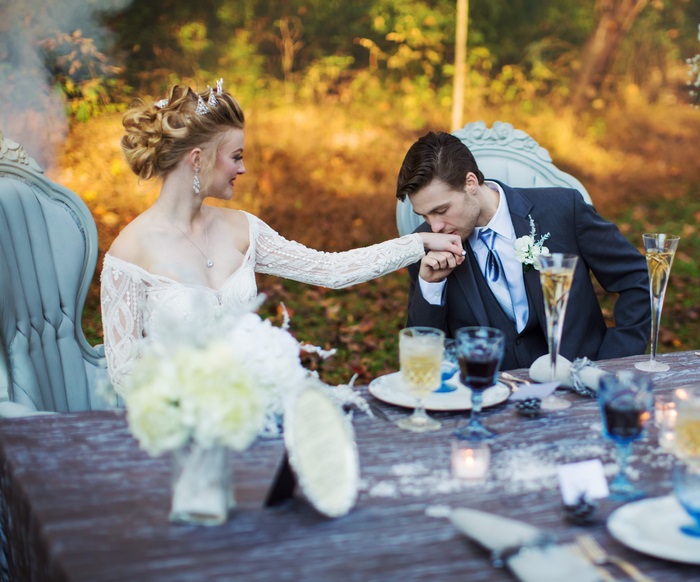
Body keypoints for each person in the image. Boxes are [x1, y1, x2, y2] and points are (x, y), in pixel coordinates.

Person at [100, 82, 463, 394]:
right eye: (236, 156)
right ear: (198, 160)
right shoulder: (130, 251)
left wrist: (417, 244)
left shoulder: (243, 228)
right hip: (184, 427)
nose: (243, 168)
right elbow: (124, 375)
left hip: (255, 411)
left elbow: (329, 270)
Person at [397, 131, 650, 371]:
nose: (435, 226)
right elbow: (422, 350)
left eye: (441, 210)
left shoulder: (563, 210)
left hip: (579, 384)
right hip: (489, 394)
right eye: (425, 215)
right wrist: (430, 285)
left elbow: (637, 279)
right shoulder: (426, 246)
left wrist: (612, 362)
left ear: (470, 182)